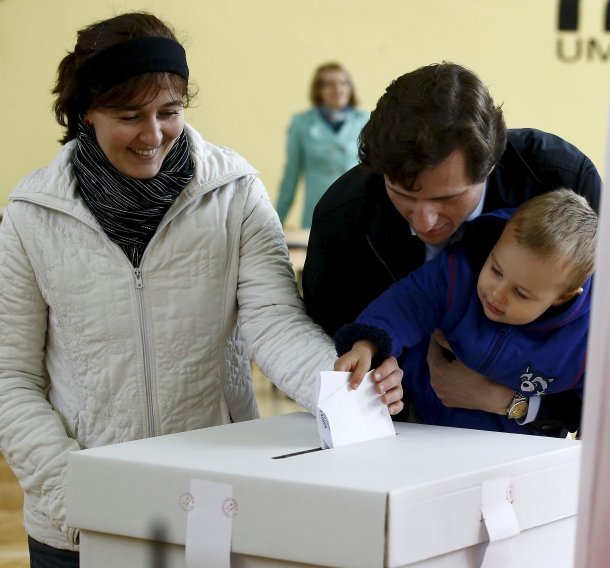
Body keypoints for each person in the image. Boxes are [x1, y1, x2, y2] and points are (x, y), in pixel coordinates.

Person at [0, 13, 402, 566]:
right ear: (85, 113)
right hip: (77, 523)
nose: (153, 134)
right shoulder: (30, 217)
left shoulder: (234, 192)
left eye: (169, 112)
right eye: (129, 116)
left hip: (214, 502)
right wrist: (75, 489)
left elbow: (274, 323)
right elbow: (11, 376)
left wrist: (344, 386)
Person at [303, 62, 601, 436]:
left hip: (533, 436)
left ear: (490, 165)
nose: (424, 221)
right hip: (408, 431)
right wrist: (376, 374)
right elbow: (336, 344)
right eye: (404, 195)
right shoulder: (343, 219)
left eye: (448, 198)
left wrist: (506, 401)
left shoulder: (559, 181)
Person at [334, 190, 597, 434]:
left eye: (521, 293)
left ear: (562, 297)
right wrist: (366, 346)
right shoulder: (459, 272)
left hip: (518, 450)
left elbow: (603, 414)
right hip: (425, 424)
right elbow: (407, 303)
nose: (497, 293)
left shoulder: (587, 341)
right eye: (495, 270)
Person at [275, 62, 369, 228]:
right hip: (319, 212)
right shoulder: (301, 123)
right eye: (329, 84)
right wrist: (275, 222)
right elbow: (291, 176)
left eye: (343, 83)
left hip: (359, 211)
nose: (338, 89)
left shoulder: (365, 120)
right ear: (318, 90)